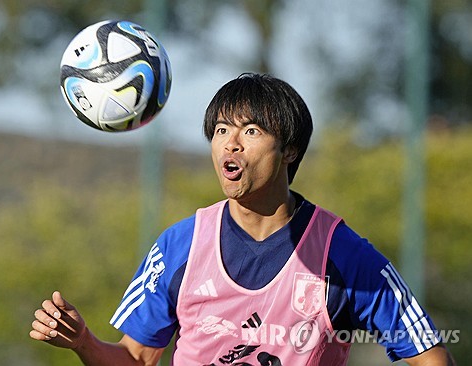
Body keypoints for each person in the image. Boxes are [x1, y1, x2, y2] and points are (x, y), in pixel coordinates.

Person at [30, 73, 455, 365]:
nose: (230, 144)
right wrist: (83, 342)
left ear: (289, 150)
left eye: (250, 131)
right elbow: (137, 358)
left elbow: (430, 354)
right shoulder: (180, 246)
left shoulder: (343, 255)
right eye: (220, 131)